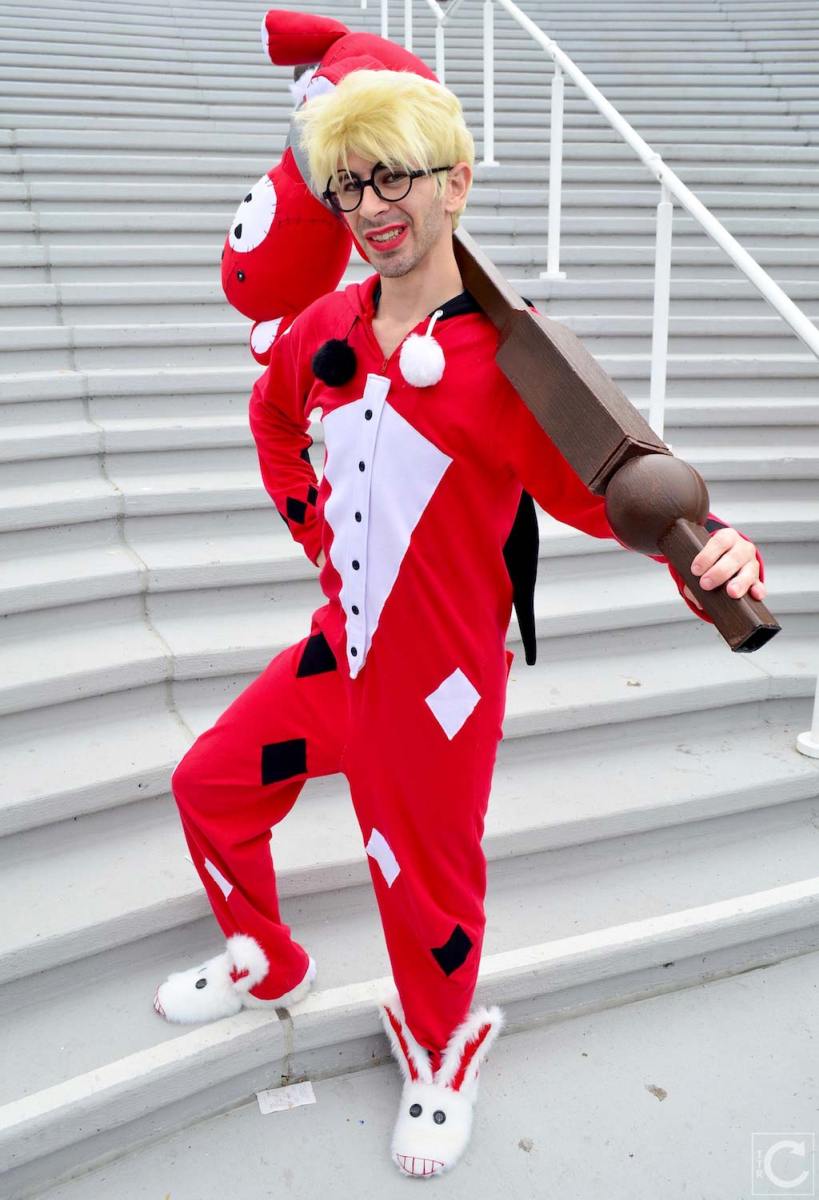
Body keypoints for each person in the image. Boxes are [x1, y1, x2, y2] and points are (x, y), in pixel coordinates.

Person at [153, 68, 766, 1176]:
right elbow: (275, 416)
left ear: (456, 183)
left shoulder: (515, 359)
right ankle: (266, 957)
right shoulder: (323, 329)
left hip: (439, 690)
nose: (371, 206)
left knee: (423, 887)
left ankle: (442, 1050)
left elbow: (619, 492)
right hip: (337, 658)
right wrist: (311, 529)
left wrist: (713, 549)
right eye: (348, 186)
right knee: (209, 784)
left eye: (393, 175)